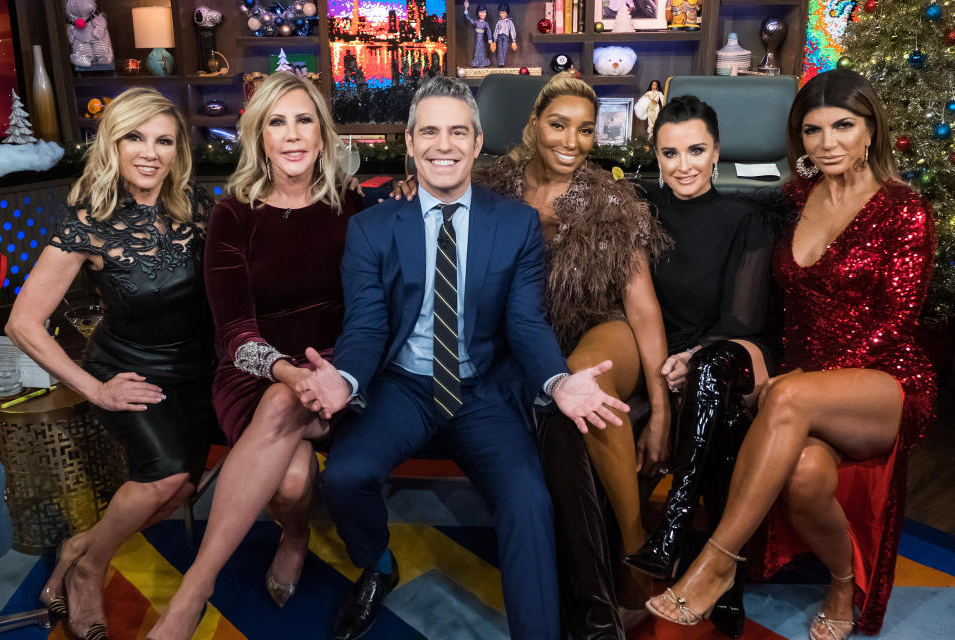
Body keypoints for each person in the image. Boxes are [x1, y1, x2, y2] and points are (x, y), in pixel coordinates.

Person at [296, 76, 631, 640]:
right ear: (409, 141)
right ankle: (377, 565)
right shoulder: (370, 229)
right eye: (429, 131)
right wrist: (347, 378)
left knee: (528, 500)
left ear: (478, 143)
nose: (442, 144)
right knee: (346, 477)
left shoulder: (516, 224)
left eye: (457, 131)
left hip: (482, 391)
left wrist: (556, 380)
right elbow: (367, 325)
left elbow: (524, 322)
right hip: (404, 386)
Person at [644, 69, 936, 640]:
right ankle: (843, 579)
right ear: (798, 139)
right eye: (812, 130)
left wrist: (795, 378)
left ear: (870, 130)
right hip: (800, 387)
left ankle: (718, 561)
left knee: (786, 394)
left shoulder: (905, 210)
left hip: (881, 381)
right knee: (803, 478)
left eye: (844, 126)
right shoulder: (792, 198)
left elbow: (895, 326)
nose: (828, 143)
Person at [391, 72, 671, 638]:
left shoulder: (613, 199)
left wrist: (661, 410)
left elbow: (642, 310)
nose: (572, 140)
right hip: (524, 339)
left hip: (601, 329)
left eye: (586, 130)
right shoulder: (492, 183)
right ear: (532, 125)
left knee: (578, 382)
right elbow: (436, 191)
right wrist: (405, 189)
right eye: (559, 124)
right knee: (555, 420)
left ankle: (639, 550)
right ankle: (580, 594)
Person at [148, 72, 363, 639]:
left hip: (336, 370)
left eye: (303, 120)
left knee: (290, 449)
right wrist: (290, 373)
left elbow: (370, 312)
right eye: (276, 122)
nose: (292, 135)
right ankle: (292, 536)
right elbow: (235, 331)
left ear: (322, 133)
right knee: (290, 479)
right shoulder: (234, 214)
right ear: (258, 136)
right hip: (254, 371)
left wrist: (329, 373)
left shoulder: (352, 206)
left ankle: (192, 590)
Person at [6, 87, 216, 640]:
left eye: (164, 140)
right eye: (134, 137)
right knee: (164, 475)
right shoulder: (88, 222)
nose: (149, 152)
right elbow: (22, 323)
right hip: (126, 371)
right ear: (113, 144)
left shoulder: (198, 207)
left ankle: (80, 545)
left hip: (196, 370)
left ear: (178, 152)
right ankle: (89, 571)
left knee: (181, 487)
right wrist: (94, 391)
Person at [624, 95, 777, 639]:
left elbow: (743, 316)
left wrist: (692, 358)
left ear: (717, 152)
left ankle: (674, 526)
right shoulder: (638, 208)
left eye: (695, 150)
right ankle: (726, 579)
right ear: (656, 155)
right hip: (668, 356)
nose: (683, 164)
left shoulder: (745, 216)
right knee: (724, 426)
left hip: (730, 351)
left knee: (713, 375)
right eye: (670, 152)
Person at [462, 1, 493, 68]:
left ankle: (482, 62)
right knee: (477, 50)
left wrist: (490, 41)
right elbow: (469, 19)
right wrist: (466, 9)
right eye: (481, 12)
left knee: (482, 50)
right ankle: (477, 62)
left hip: (481, 39)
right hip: (477, 39)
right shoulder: (476, 22)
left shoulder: (486, 23)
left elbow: (489, 31)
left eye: (484, 12)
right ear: (478, 13)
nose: (483, 14)